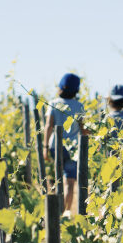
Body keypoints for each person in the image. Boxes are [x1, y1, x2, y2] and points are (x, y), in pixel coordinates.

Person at [43, 72, 86, 213]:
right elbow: (83, 129)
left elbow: (49, 126)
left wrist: (45, 147)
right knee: (70, 183)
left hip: (56, 146)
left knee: (57, 179)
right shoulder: (79, 106)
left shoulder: (53, 104)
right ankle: (65, 214)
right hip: (73, 149)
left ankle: (55, 213)